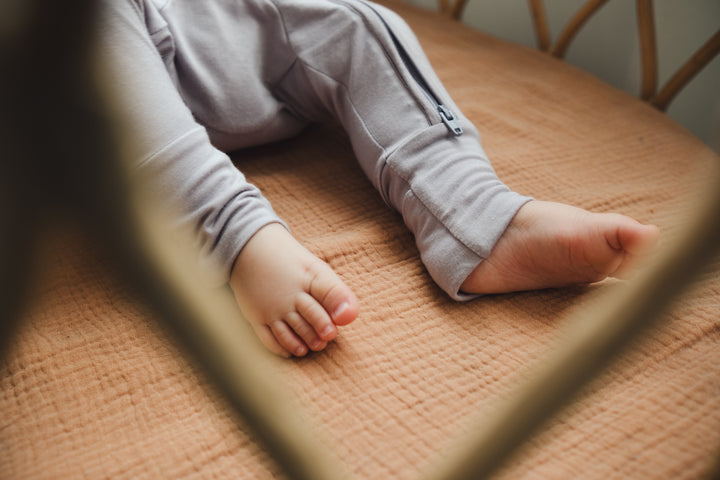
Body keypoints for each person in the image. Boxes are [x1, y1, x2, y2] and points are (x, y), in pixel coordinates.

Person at [99, 0, 660, 358]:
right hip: (84, 65)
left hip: (206, 24)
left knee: (358, 25)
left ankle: (474, 215)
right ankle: (235, 232)